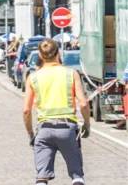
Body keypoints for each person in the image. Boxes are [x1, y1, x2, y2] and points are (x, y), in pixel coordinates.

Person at [23, 39, 90, 185]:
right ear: (59, 53)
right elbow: (84, 104)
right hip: (67, 128)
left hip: (44, 129)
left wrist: (31, 135)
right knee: (77, 174)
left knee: (42, 176)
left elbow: (26, 110)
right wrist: (87, 125)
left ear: (40, 56)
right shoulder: (71, 74)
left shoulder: (33, 77)